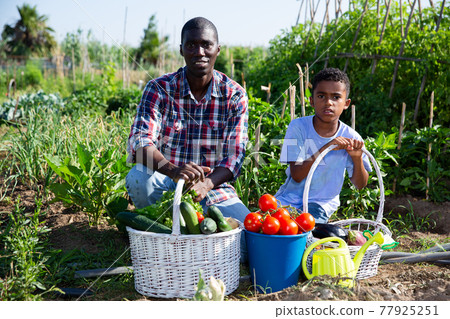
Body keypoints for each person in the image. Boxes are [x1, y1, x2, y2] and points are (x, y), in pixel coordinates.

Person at [125, 17, 250, 232]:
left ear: (217, 50)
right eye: (191, 45)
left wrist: (207, 183)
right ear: (181, 50)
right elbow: (139, 143)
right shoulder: (159, 88)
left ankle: (188, 233)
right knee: (138, 177)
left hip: (213, 188)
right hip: (165, 182)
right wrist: (174, 170)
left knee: (246, 241)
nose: (199, 52)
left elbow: (235, 154)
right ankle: (163, 229)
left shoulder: (234, 94)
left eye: (206, 45)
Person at [275, 67, 372, 224]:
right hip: (288, 200)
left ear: (346, 103)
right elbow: (297, 175)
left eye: (336, 97)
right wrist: (327, 146)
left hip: (320, 204)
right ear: (312, 101)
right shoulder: (297, 127)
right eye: (321, 96)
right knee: (264, 228)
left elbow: (360, 184)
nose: (328, 102)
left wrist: (356, 158)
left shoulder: (351, 137)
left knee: (306, 231)